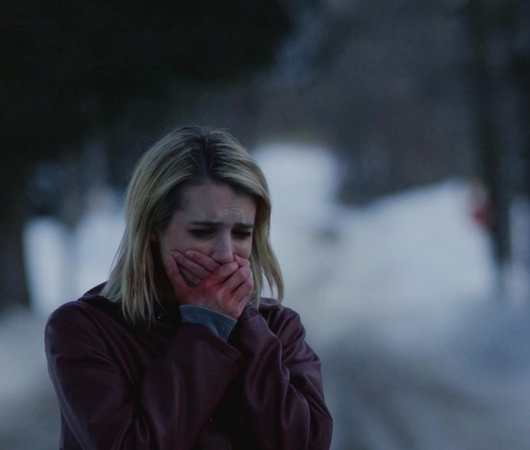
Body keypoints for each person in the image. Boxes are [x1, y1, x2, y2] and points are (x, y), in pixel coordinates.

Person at [44, 126, 333, 449]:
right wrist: (206, 330)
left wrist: (244, 327)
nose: (225, 254)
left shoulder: (278, 329)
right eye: (203, 232)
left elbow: (304, 443)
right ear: (153, 229)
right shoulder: (87, 329)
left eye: (241, 234)